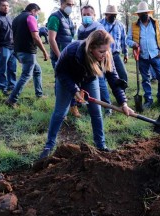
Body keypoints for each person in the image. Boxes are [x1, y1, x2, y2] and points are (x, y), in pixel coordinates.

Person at [39, 30, 134, 159]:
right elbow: (60, 72)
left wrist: (123, 103)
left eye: (106, 50)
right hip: (67, 78)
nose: (105, 54)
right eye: (101, 51)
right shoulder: (72, 51)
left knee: (96, 111)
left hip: (89, 78)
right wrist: (74, 90)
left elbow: (113, 78)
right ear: (91, 49)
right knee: (61, 112)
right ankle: (49, 146)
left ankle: (101, 145)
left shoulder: (106, 55)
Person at [126, 1, 160, 109]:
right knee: (145, 79)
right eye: (140, 14)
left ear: (148, 13)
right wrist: (133, 44)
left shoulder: (156, 24)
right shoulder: (134, 26)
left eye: (144, 13)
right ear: (138, 15)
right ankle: (148, 100)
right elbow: (128, 39)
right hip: (142, 56)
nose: (142, 15)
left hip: (156, 55)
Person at [5, 3, 49, 108]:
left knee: (37, 71)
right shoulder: (30, 17)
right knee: (26, 75)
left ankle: (39, 94)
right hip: (28, 51)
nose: (37, 15)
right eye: (37, 13)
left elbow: (14, 36)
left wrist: (17, 53)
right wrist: (44, 51)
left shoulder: (16, 19)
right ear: (33, 10)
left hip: (18, 51)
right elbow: (36, 37)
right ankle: (12, 100)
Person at [77, 5, 113, 116]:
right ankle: (88, 104)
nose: (86, 16)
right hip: (85, 60)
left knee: (101, 83)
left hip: (98, 59)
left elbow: (104, 45)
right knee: (84, 83)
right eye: (84, 15)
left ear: (94, 15)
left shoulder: (98, 27)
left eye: (89, 14)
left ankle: (107, 107)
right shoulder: (81, 28)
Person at [47, 0, 81, 117]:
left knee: (70, 81)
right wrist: (59, 55)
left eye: (72, 5)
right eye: (68, 4)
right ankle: (62, 110)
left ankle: (72, 106)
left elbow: (70, 38)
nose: (70, 7)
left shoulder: (68, 19)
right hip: (59, 57)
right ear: (62, 4)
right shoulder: (55, 18)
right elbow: (51, 39)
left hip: (69, 57)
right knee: (61, 82)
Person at [100, 5, 129, 84]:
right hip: (103, 55)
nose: (113, 16)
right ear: (106, 15)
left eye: (115, 15)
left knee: (123, 75)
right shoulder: (99, 24)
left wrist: (125, 53)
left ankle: (122, 93)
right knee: (102, 77)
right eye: (111, 15)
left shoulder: (120, 26)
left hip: (115, 55)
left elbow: (123, 40)